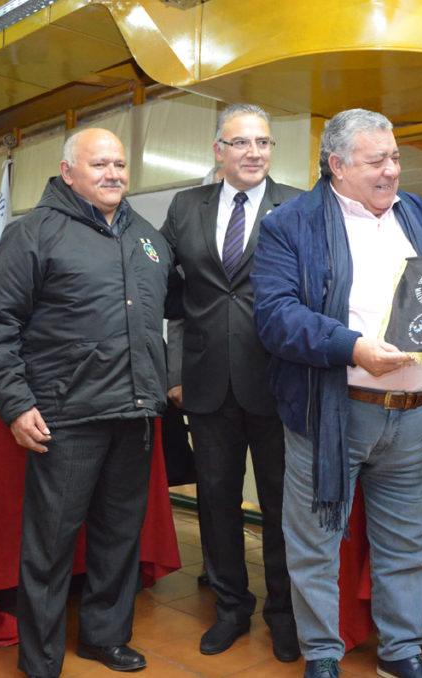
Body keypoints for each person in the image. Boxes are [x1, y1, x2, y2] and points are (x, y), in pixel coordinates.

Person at [252, 108, 422, 678]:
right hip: (332, 414)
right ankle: (322, 655)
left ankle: (401, 653)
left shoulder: (418, 214)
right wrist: (353, 348)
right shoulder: (289, 224)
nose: (392, 170)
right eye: (378, 161)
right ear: (337, 165)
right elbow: (275, 318)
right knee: (317, 544)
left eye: (395, 158)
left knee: (406, 542)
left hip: (414, 418)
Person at [0, 128, 177, 678]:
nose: (113, 174)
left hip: (134, 416)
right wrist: (14, 405)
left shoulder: (148, 237)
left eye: (120, 164)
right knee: (51, 546)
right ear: (68, 172)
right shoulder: (32, 233)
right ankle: (39, 660)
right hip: (65, 419)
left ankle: (105, 639)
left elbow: (177, 315)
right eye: (99, 164)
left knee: (118, 538)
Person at [160, 103, 302, 661]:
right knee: (216, 502)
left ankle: (284, 614)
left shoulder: (298, 205)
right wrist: (175, 370)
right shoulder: (184, 206)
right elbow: (170, 294)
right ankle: (230, 608)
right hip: (206, 384)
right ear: (219, 151)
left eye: (263, 143)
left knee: (280, 507)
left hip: (278, 382)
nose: (254, 153)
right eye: (241, 143)